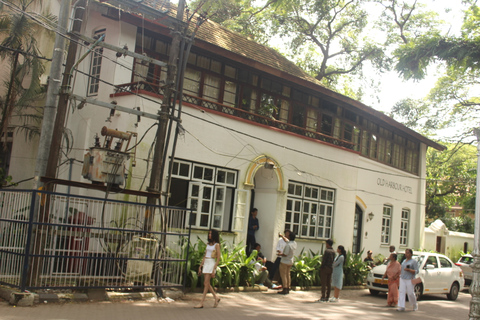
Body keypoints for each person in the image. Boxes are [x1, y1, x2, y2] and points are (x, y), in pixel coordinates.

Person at [195, 229, 221, 309]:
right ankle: (216, 297)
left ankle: (201, 302)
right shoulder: (208, 244)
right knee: (206, 283)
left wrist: (214, 269)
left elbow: (218, 258)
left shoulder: (217, 245)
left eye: (211, 233)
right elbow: (205, 255)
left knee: (206, 283)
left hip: (211, 263)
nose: (209, 235)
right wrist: (201, 266)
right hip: (206, 262)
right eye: (209, 233)